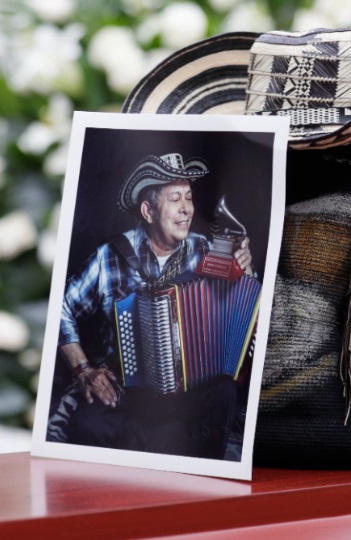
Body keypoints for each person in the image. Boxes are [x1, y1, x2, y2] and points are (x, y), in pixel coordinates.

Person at [56, 152, 252, 458]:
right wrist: (83, 369)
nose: (187, 208)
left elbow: (244, 300)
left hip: (189, 388)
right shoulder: (110, 256)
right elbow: (60, 309)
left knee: (224, 391)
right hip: (126, 388)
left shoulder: (205, 248)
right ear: (148, 210)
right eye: (175, 198)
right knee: (86, 427)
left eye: (189, 197)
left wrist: (244, 264)